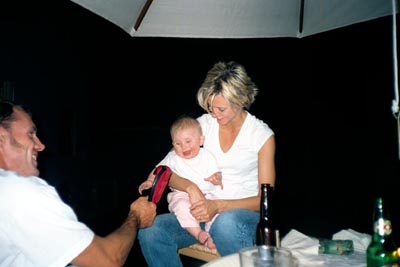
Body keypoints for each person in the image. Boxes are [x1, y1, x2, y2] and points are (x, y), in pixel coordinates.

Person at [138, 61, 276, 267]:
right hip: (200, 212)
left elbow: (266, 200)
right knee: (151, 230)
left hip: (240, 217)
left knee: (225, 224)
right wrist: (191, 188)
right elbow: (166, 170)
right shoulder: (202, 125)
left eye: (221, 108)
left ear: (241, 100)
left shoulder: (261, 136)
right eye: (210, 107)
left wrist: (219, 206)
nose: (214, 114)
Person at [0, 99, 157, 267]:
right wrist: (136, 217)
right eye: (31, 134)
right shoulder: (22, 192)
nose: (41, 145)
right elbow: (108, 260)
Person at [138, 115, 223, 250]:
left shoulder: (207, 156)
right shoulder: (172, 158)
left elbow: (216, 173)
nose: (184, 147)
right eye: (178, 143)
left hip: (206, 195)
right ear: (173, 145)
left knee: (217, 209)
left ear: (201, 140)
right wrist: (150, 180)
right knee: (181, 206)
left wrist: (216, 178)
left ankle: (211, 232)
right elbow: (159, 170)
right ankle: (198, 233)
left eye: (188, 141)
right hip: (182, 194)